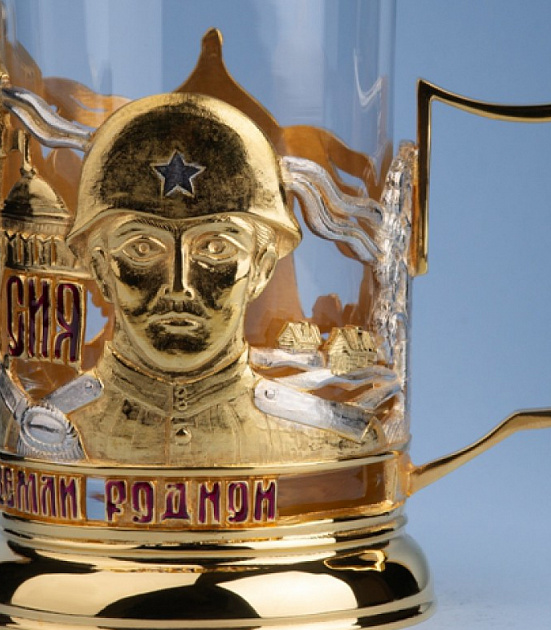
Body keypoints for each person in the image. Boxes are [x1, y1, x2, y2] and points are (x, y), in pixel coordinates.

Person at [62, 93, 384, 466]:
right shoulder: (46, 432)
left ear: (262, 268)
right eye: (143, 248)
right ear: (101, 268)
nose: (179, 286)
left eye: (215, 249)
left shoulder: (336, 441)